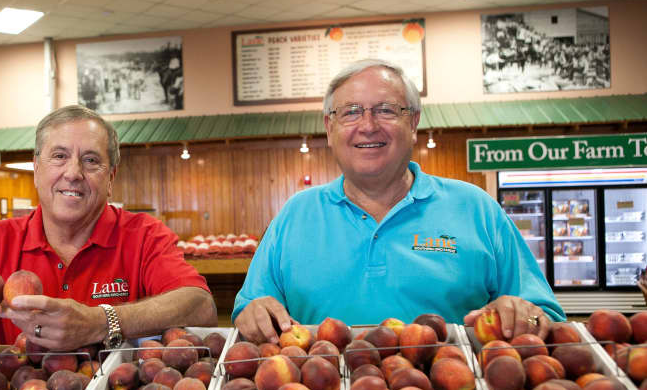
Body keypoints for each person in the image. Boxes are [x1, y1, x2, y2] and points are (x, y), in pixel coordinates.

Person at [233, 59, 565, 345]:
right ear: (329, 127)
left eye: (386, 110)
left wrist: (525, 315)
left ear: (414, 122)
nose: (368, 126)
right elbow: (250, 310)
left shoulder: (476, 209)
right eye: (350, 112)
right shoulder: (296, 215)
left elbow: (546, 317)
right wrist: (254, 314)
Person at [0, 105, 216, 350]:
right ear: (36, 169)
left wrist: (101, 322)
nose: (73, 172)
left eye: (91, 160)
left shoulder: (144, 235)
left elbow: (200, 306)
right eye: (59, 156)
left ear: (111, 178)